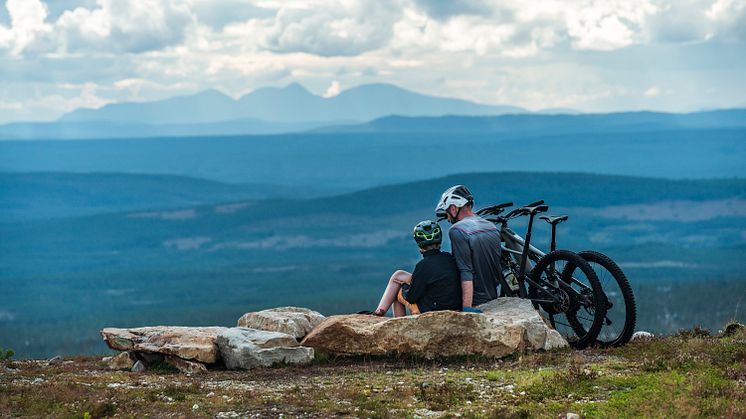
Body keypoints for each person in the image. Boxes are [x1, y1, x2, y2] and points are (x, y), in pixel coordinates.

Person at [369, 220, 462, 317]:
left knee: (396, 293)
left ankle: (386, 316)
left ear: (419, 243)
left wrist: (406, 289)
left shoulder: (423, 266)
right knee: (399, 274)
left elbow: (411, 298)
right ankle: (380, 311)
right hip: (453, 306)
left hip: (433, 310)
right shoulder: (448, 258)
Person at [435, 185, 502, 310]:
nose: (448, 218)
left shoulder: (457, 230)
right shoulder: (491, 226)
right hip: (493, 295)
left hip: (476, 300)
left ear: (454, 208)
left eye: (447, 212)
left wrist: (467, 308)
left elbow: (466, 271)